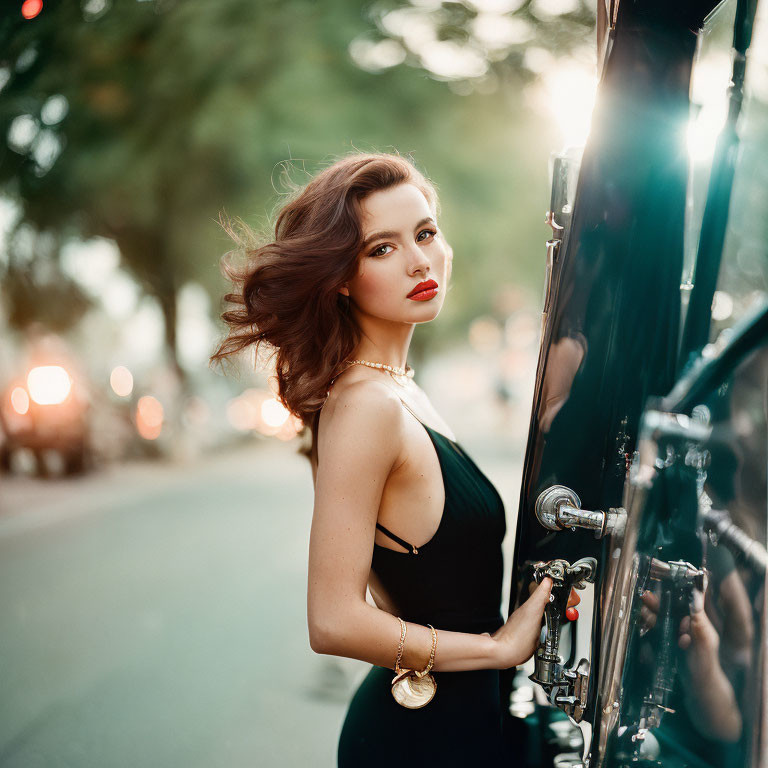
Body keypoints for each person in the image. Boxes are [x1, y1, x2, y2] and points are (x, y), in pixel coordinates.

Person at [209, 151, 555, 766]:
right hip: (421, 737)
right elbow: (334, 620)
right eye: (382, 249)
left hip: (467, 714)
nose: (420, 260)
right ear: (341, 276)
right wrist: (497, 650)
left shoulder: (398, 388)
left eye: (425, 234)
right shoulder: (366, 405)